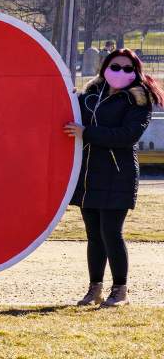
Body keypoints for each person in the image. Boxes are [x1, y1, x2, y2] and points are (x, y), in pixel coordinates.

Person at [65, 48, 160, 307]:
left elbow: (127, 136)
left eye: (127, 68)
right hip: (88, 174)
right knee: (94, 235)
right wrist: (67, 97)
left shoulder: (139, 100)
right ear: (105, 67)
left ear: (136, 72)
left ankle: (120, 291)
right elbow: (69, 118)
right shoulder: (90, 94)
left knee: (111, 233)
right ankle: (94, 288)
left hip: (118, 175)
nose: (120, 72)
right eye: (115, 66)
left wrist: (86, 132)